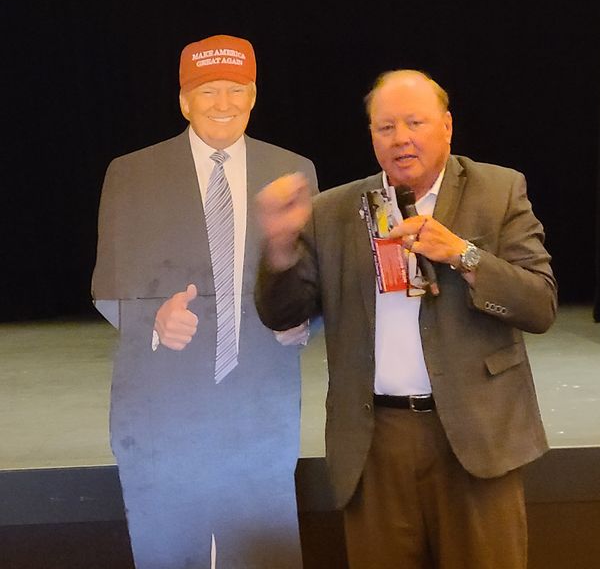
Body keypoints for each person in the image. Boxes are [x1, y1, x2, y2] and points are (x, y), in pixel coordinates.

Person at [255, 69, 557, 569]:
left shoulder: (499, 190)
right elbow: (280, 313)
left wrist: (463, 254)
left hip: (476, 438)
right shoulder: (332, 211)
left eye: (414, 122)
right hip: (375, 444)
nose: (401, 138)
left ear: (447, 127)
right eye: (385, 127)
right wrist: (280, 246)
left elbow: (540, 305)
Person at [92, 34, 318, 569]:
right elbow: (108, 288)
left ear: (254, 94)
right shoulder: (132, 175)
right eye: (208, 90)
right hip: (164, 415)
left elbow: (313, 283)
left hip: (261, 412)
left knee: (265, 558)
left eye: (235, 89)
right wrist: (154, 323)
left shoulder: (293, 172)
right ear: (183, 101)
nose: (223, 103)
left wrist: (304, 322)